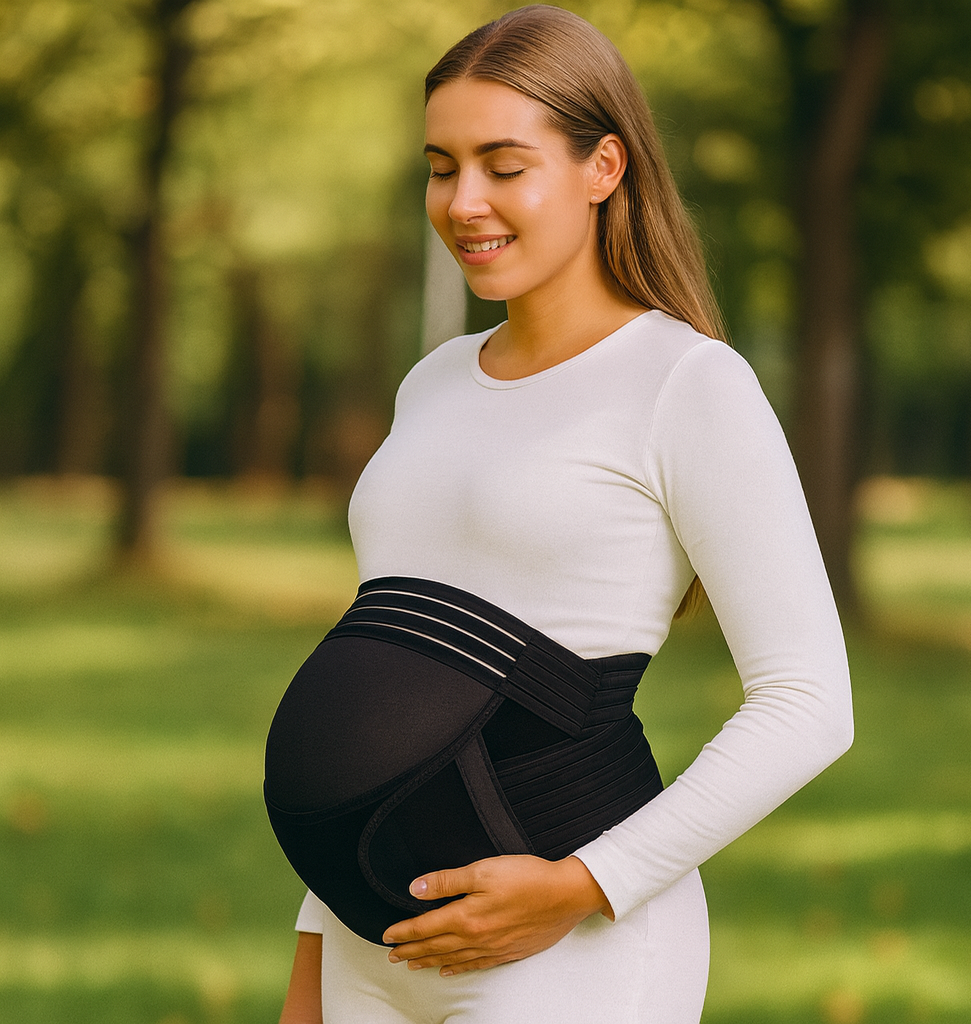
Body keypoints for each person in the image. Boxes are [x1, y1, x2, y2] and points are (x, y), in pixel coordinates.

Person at [266, 6, 854, 1023]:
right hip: (370, 942)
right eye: (441, 167)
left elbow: (808, 703)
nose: (463, 202)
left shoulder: (685, 384)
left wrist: (581, 885)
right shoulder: (436, 382)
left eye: (504, 165)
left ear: (603, 167)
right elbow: (386, 690)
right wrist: (319, 944)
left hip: (567, 952)